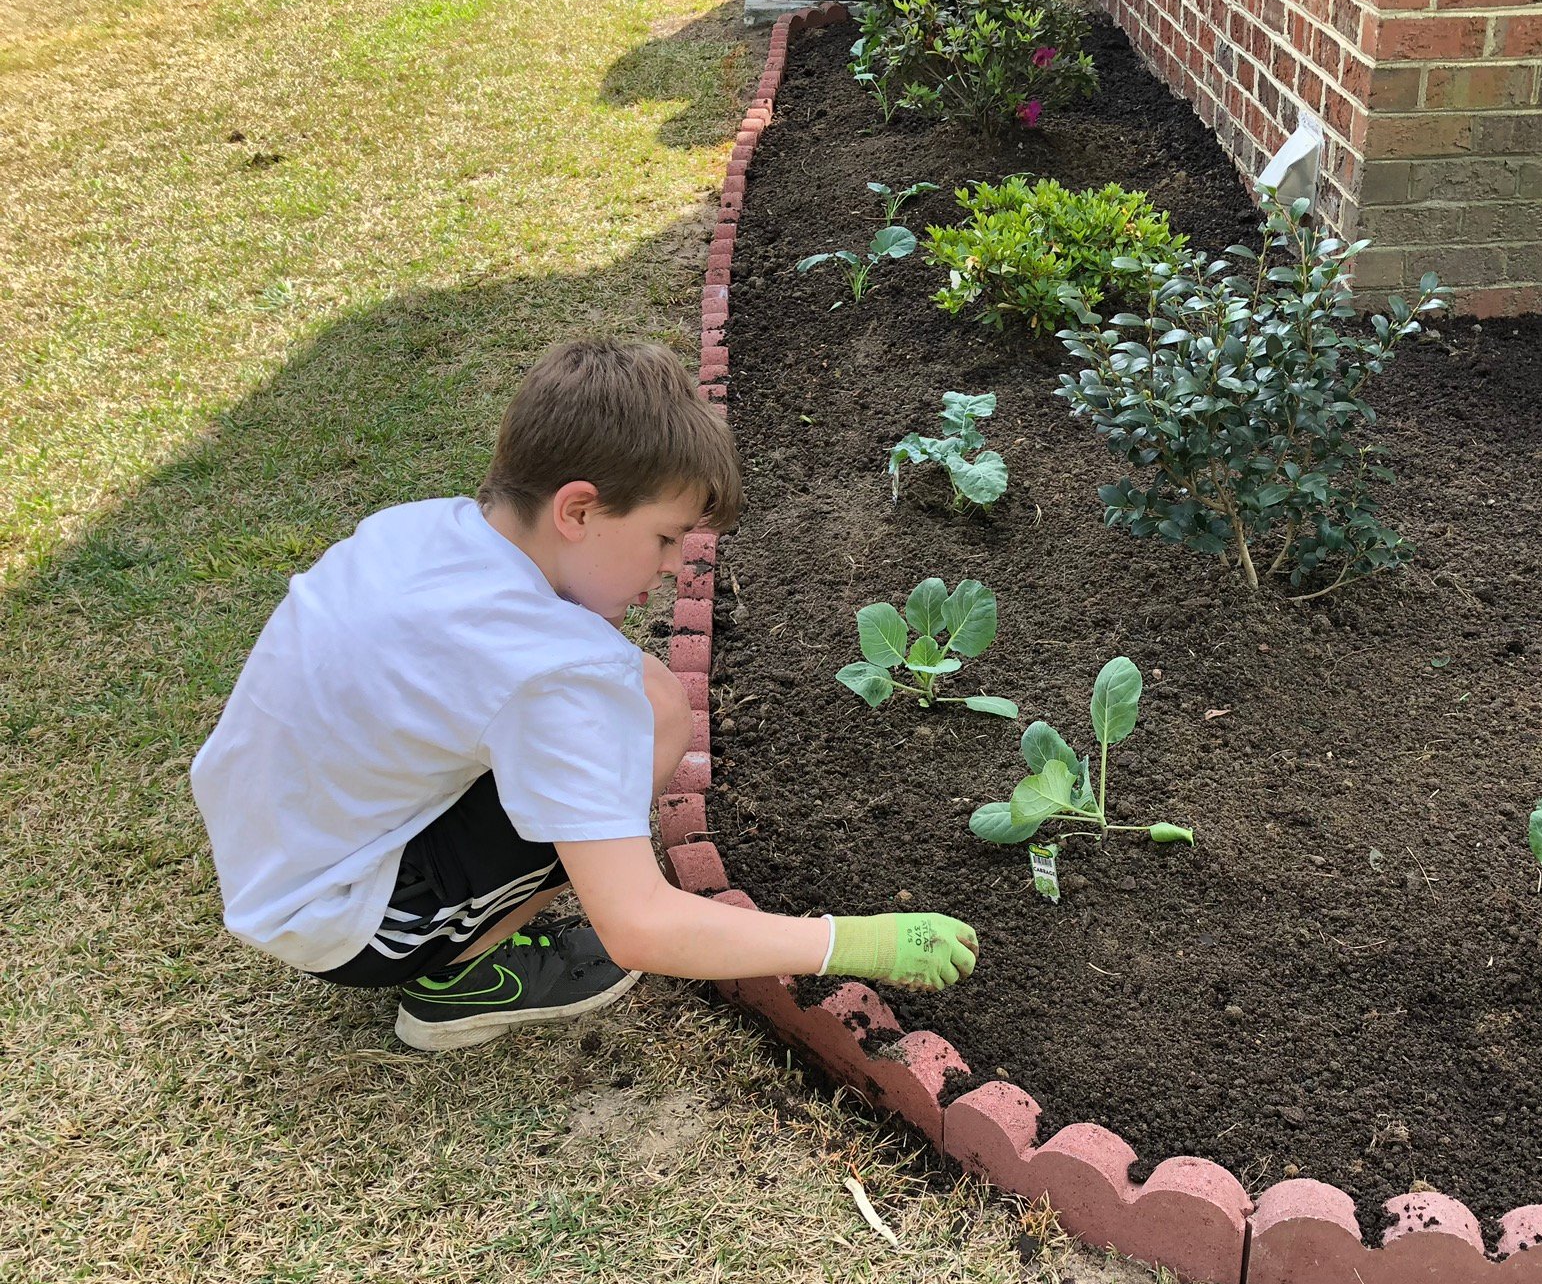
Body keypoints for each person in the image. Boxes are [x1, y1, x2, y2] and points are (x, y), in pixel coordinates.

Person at [191, 338, 978, 1051]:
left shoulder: (423, 528)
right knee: (638, 721)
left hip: (280, 842)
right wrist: (854, 942)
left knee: (649, 701)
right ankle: (454, 980)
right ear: (577, 509)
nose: (674, 566)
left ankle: (455, 906)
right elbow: (639, 928)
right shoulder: (555, 672)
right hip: (344, 919)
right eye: (665, 538)